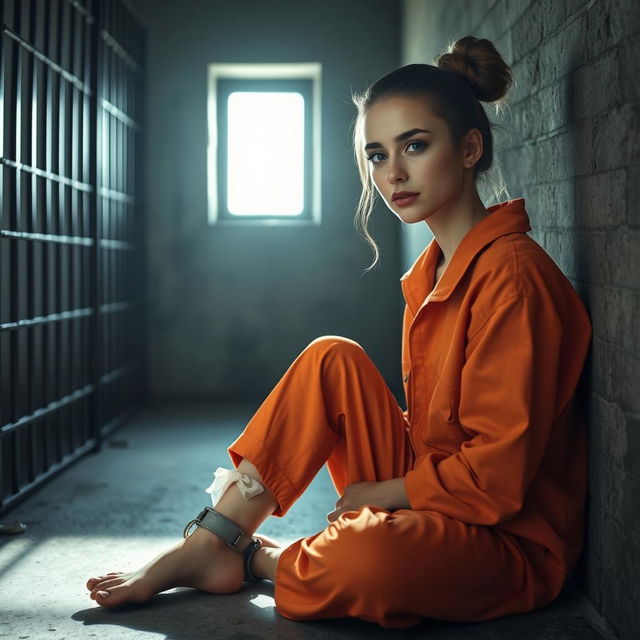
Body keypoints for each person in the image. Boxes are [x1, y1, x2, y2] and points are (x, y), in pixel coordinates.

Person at [85, 35, 593, 629]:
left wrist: (381, 497)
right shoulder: (432, 272)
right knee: (332, 357)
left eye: (416, 146)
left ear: (469, 148)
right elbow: (435, 442)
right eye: (377, 155)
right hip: (433, 490)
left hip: (504, 539)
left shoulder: (513, 279)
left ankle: (255, 560)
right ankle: (213, 539)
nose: (393, 173)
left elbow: (496, 484)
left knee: (368, 559)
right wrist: (393, 490)